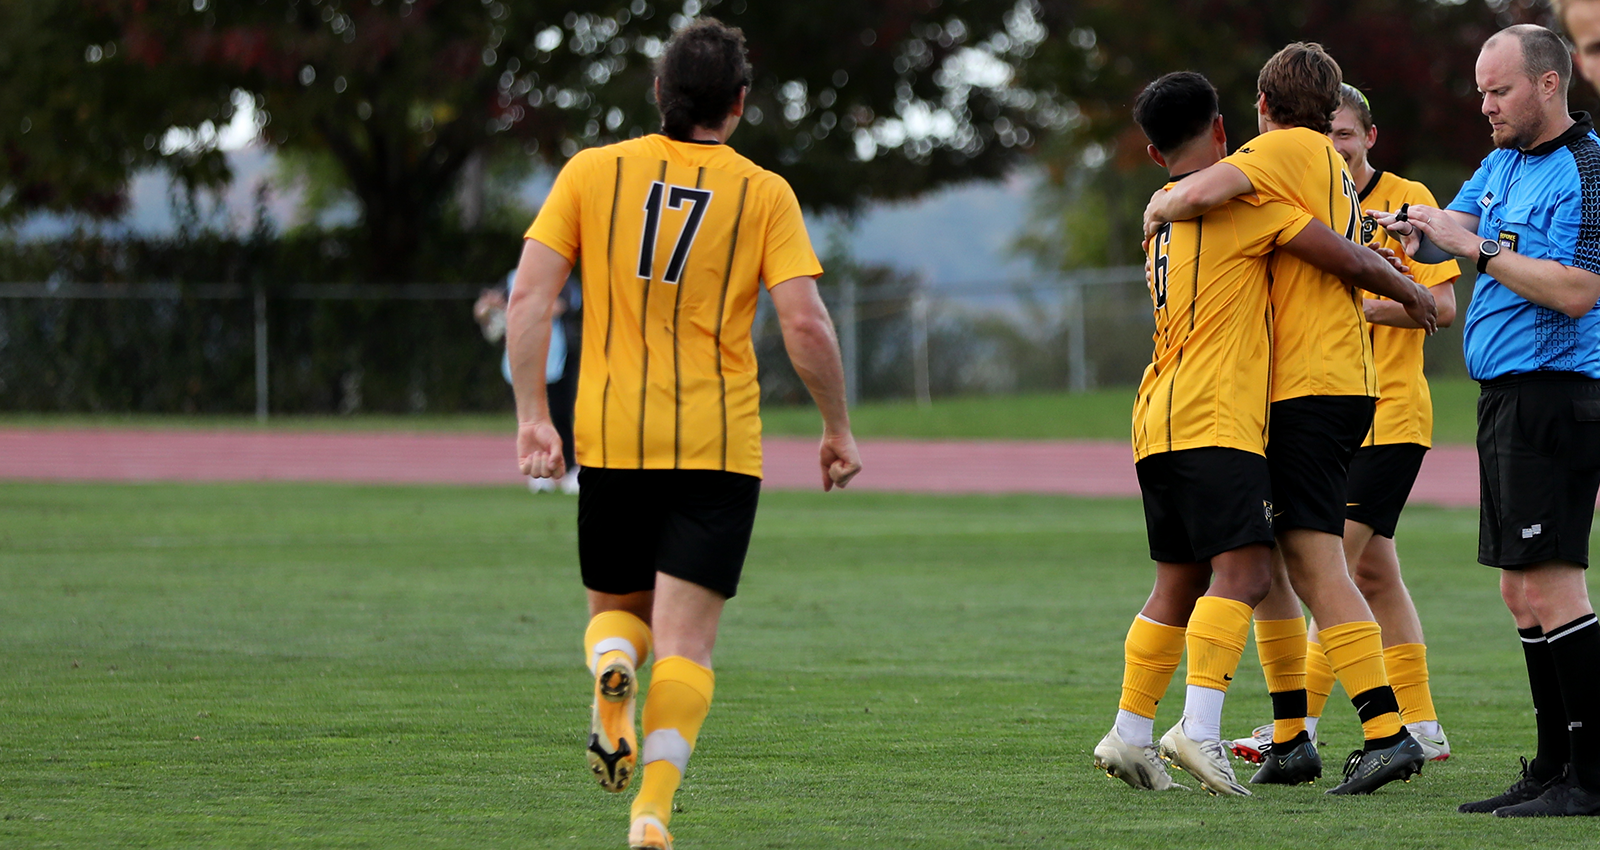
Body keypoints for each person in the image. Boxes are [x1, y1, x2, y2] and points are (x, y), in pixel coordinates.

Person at [506, 18, 862, 849]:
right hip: (717, 446)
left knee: (618, 617)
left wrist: (533, 418)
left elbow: (528, 300)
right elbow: (804, 324)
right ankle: (651, 813)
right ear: (738, 105)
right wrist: (836, 427)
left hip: (612, 440)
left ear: (659, 94)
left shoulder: (593, 173)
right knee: (689, 645)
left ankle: (608, 670)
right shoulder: (763, 192)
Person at [1094, 70, 1434, 798]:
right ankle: (1222, 729)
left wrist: (1161, 201)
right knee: (1262, 572)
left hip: (1157, 415)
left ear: (1155, 155)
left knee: (1192, 579)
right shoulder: (1251, 194)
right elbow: (1342, 254)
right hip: (1227, 413)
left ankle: (1136, 732)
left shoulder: (1164, 224)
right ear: (1223, 129)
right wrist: (1411, 290)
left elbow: (1187, 201)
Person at [1370, 23, 1600, 818]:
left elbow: (1577, 290)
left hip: (1557, 393)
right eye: (1478, 91)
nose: (1486, 106)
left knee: (1555, 583)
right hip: (1503, 398)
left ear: (1547, 84)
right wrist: (1409, 230)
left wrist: (1478, 249)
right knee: (1517, 591)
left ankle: (1591, 777)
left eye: (1498, 90)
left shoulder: (1587, 168)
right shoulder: (1500, 163)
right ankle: (1551, 765)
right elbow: (1449, 231)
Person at [1228, 83, 1460, 765]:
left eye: (1346, 136)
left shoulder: (1402, 195)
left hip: (1386, 412)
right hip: (1340, 412)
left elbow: (1441, 307)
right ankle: (1420, 721)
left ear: (1370, 138)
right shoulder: (1308, 198)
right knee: (1375, 574)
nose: (1335, 147)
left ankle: (1299, 725)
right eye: (1326, 134)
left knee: (1324, 569)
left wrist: (1352, 300)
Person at [474, 271, 582, 493]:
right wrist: (488, 307)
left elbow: (562, 306)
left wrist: (510, 309)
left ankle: (570, 469)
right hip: (525, 361)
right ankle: (541, 473)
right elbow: (483, 309)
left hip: (559, 358)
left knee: (560, 415)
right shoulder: (514, 278)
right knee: (530, 418)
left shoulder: (562, 277)